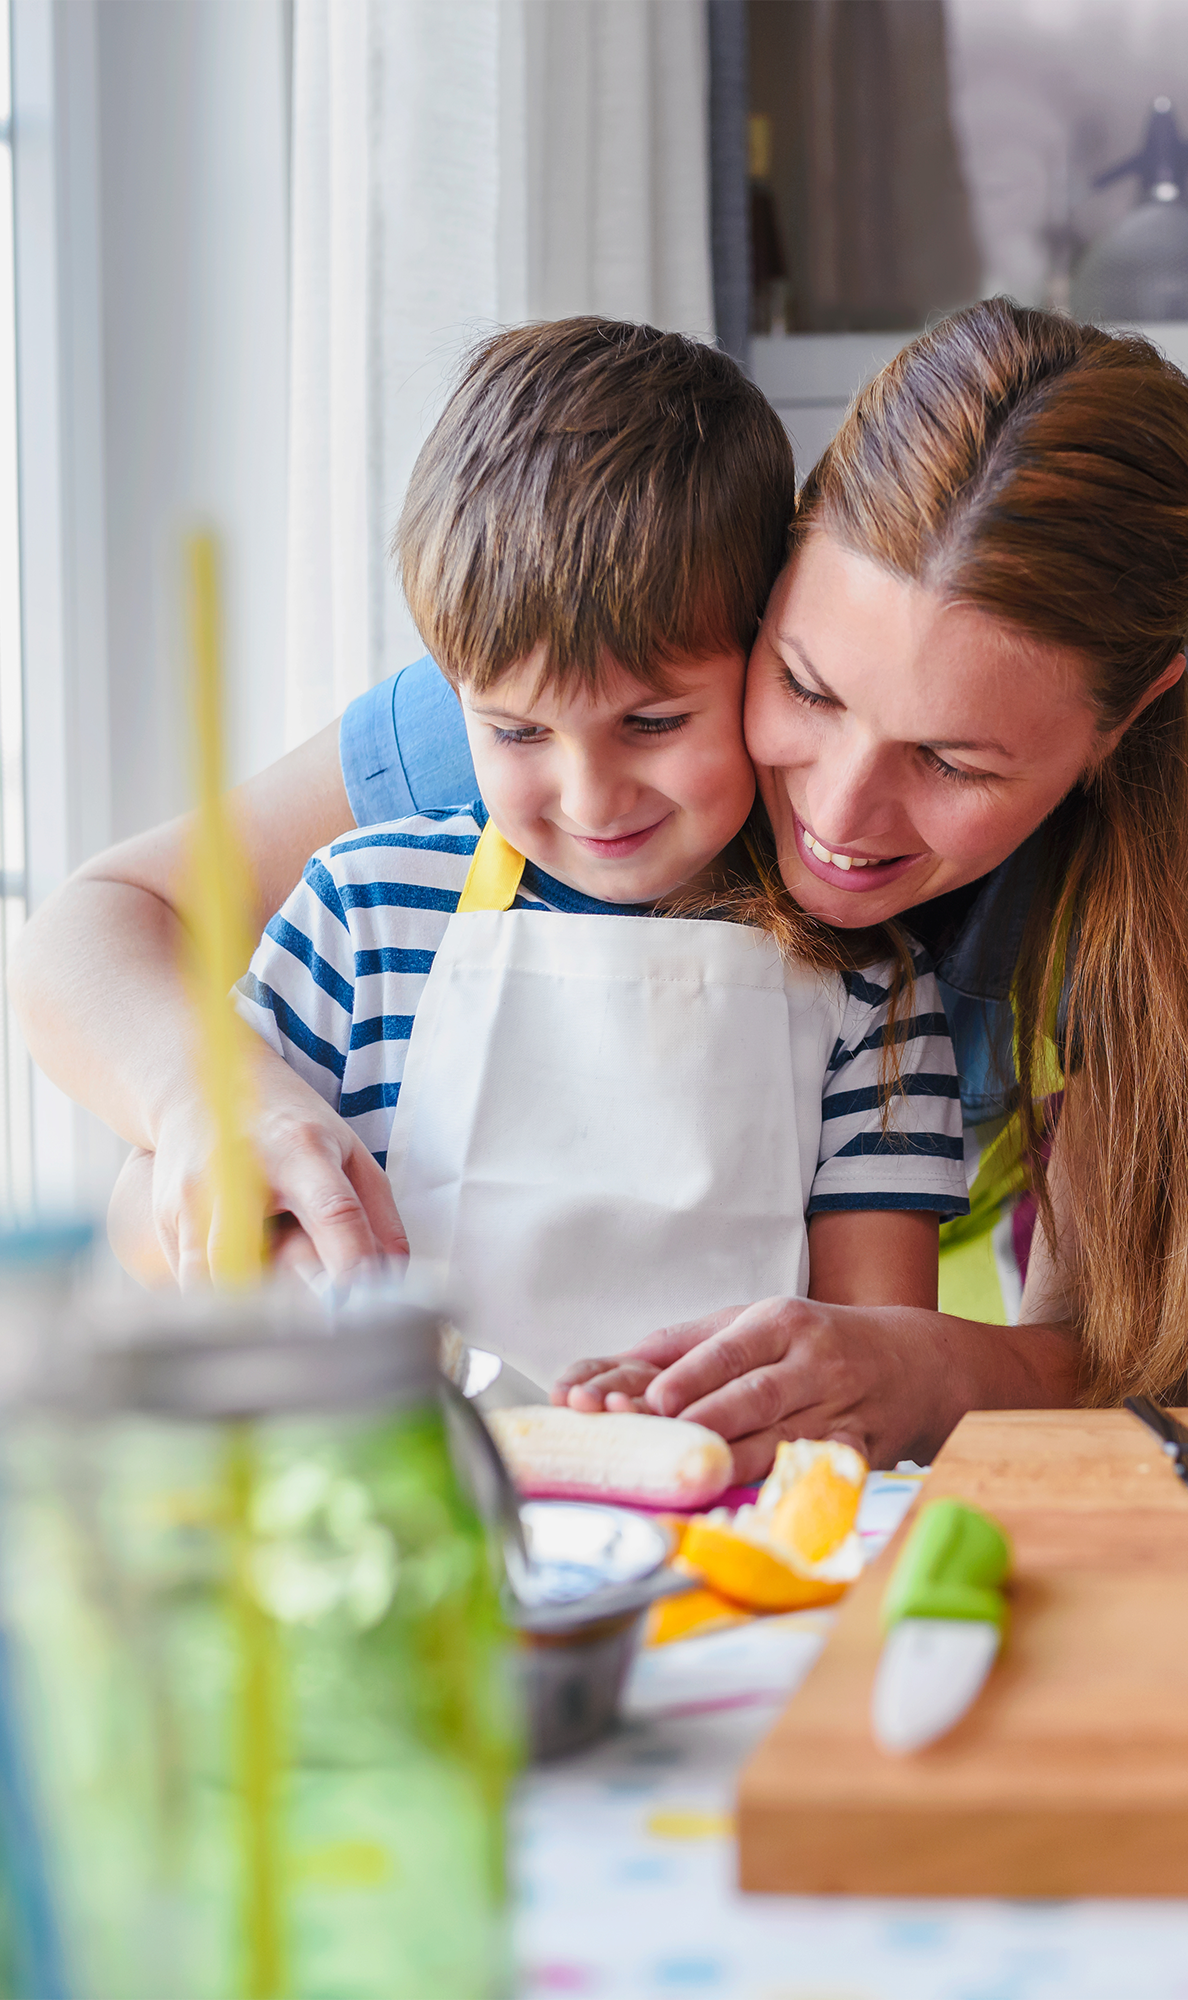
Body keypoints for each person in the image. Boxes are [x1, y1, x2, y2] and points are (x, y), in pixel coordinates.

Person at [15, 299, 1188, 1474]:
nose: (835, 814)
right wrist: (214, 1113)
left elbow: (1116, 1348)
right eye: (806, 686)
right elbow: (104, 925)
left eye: (952, 762)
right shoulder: (584, 694)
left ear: (1121, 723)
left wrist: (914, 1363)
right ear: (771, 583)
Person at [197, 320, 964, 1388]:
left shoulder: (868, 984)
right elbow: (164, 1206)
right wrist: (274, 1253)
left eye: (652, 723)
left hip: (723, 1480)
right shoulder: (360, 915)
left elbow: (872, 1360)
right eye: (516, 732)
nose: (590, 797)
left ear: (766, 660)